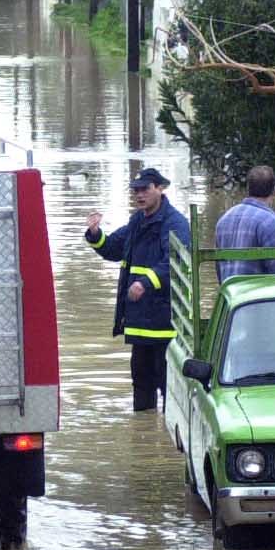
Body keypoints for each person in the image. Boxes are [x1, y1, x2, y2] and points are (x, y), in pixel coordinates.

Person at [85, 166, 192, 412]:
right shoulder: (137, 221)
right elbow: (113, 248)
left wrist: (145, 283)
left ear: (160, 189)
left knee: (170, 392)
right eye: (136, 191)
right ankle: (144, 436)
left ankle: (166, 444)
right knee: (141, 389)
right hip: (140, 323)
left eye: (145, 189)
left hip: (165, 325)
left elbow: (175, 263)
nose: (139, 195)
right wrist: (95, 234)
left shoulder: (174, 223)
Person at [215, 165, 275, 281]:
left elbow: (219, 270)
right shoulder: (271, 224)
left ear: (248, 188)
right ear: (274, 190)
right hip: (258, 298)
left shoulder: (224, 220)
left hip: (231, 296)